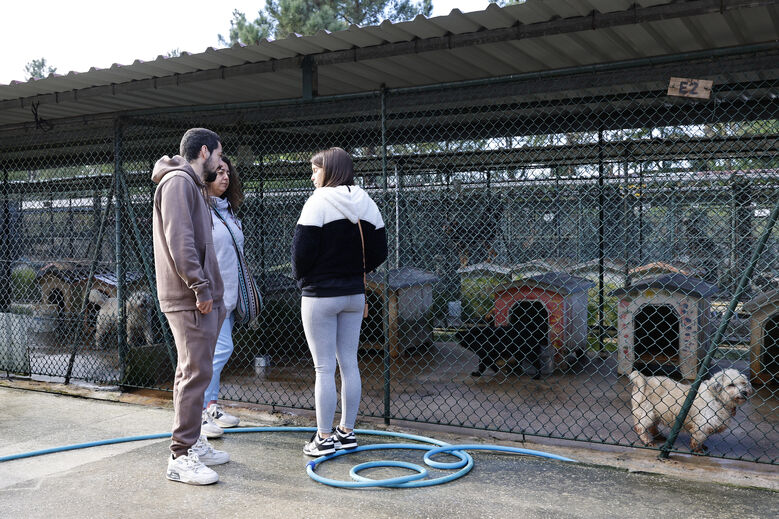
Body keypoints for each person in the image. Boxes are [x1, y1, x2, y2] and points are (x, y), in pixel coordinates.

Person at [291, 147, 388, 456]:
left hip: (320, 295)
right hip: (354, 295)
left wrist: (304, 279)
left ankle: (323, 438)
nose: (312, 176)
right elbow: (380, 251)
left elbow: (300, 254)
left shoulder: (317, 202)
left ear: (330, 171)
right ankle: (347, 432)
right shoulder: (367, 201)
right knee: (349, 363)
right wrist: (358, 270)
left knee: (323, 368)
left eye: (316, 170)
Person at [152, 127, 228, 485]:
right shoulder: (178, 184)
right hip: (188, 299)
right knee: (195, 373)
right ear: (203, 152)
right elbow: (180, 240)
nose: (220, 161)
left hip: (197, 297)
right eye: (218, 154)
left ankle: (194, 442)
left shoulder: (191, 185)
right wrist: (200, 287)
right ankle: (180, 457)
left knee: (194, 372)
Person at [200, 156, 245, 437]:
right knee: (217, 351)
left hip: (229, 296)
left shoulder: (227, 211)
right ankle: (199, 412)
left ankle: (211, 406)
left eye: (227, 172)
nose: (225, 177)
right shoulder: (201, 210)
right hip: (210, 296)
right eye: (218, 172)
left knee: (218, 351)